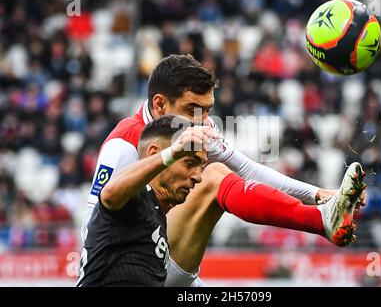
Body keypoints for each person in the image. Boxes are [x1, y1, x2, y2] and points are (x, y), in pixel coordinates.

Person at [82, 54, 366, 287]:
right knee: (213, 177)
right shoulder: (124, 143)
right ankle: (319, 222)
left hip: (160, 263)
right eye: (193, 108)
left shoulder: (194, 129)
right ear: (160, 104)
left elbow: (246, 170)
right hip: (126, 269)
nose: (203, 120)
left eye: (207, 110)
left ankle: (322, 216)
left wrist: (317, 194)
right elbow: (96, 226)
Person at [77, 116, 217, 286]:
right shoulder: (135, 198)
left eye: (200, 167)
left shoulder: (156, 215)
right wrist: (172, 153)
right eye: (189, 163)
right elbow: (109, 194)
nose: (198, 177)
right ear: (154, 153)